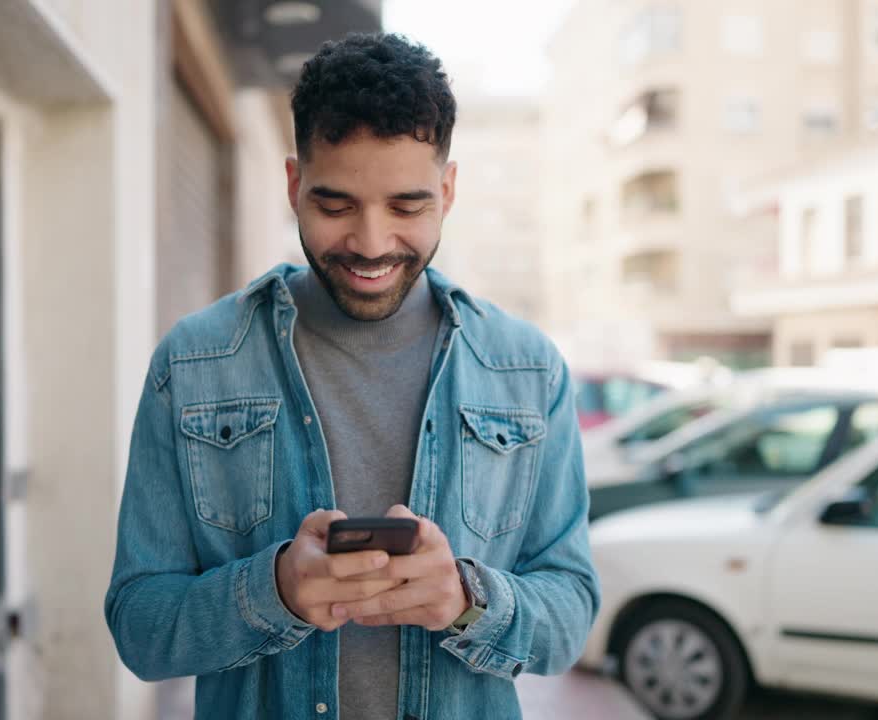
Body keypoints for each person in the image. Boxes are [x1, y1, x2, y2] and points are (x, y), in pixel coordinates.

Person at [104, 32, 599, 720]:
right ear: (292, 184)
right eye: (335, 206)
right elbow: (139, 627)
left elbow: (570, 616)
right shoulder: (195, 361)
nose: (370, 243)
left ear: (448, 191)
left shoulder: (528, 369)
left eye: (407, 206)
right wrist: (271, 589)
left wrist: (465, 599)